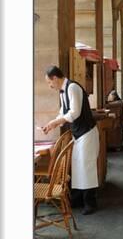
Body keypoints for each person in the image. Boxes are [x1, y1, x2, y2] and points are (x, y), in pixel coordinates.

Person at [42, 65, 99, 215]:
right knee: (78, 167)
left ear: (55, 78)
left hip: (87, 132)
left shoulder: (73, 87)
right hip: (78, 134)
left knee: (87, 167)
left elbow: (74, 113)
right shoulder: (63, 92)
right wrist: (51, 124)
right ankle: (79, 198)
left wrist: (55, 123)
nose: (50, 86)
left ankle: (90, 203)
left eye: (49, 82)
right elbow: (63, 112)